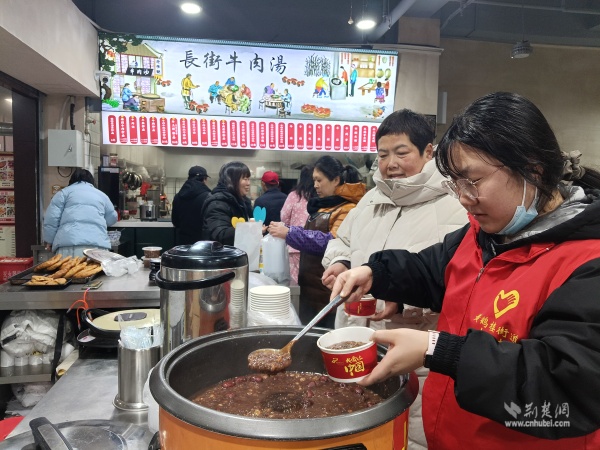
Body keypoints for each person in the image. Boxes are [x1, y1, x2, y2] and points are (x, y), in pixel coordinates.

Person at [330, 92, 600, 449]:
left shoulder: (587, 263)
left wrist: (439, 350)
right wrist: (376, 273)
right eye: (455, 183)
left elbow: (569, 392)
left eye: (472, 181)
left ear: (532, 169)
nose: (463, 198)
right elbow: (430, 270)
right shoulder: (486, 234)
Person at [321, 109, 468, 450]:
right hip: (356, 335)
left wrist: (402, 300)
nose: (391, 164)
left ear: (428, 152)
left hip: (414, 346)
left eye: (401, 153)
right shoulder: (372, 198)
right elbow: (343, 240)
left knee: (409, 429)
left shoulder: (456, 203)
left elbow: (454, 278)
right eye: (383, 154)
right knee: (354, 425)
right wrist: (340, 262)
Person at [269, 156, 365, 327]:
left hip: (327, 291)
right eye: (314, 180)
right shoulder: (323, 206)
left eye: (319, 180)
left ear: (336, 180)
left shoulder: (347, 208)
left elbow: (332, 242)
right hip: (311, 289)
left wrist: (290, 233)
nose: (315, 185)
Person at [43, 168, 118, 257]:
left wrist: (49, 241)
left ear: (72, 180)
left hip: (68, 245)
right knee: (95, 267)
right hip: (97, 245)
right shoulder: (102, 195)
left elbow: (51, 219)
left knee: (68, 266)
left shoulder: (63, 193)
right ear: (92, 181)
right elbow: (112, 218)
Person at [200, 162, 252, 246]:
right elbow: (220, 235)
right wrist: (250, 228)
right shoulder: (218, 203)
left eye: (249, 179)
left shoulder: (241, 201)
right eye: (245, 179)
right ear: (232, 180)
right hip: (222, 253)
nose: (248, 183)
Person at [280, 165, 316, 284]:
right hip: (314, 245)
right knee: (311, 281)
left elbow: (284, 216)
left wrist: (289, 227)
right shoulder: (319, 196)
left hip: (295, 244)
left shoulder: (295, 195)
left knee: (295, 283)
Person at [171, 165, 211, 245]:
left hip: (183, 243)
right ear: (204, 179)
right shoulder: (208, 197)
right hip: (202, 244)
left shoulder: (178, 196)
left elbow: (175, 222)